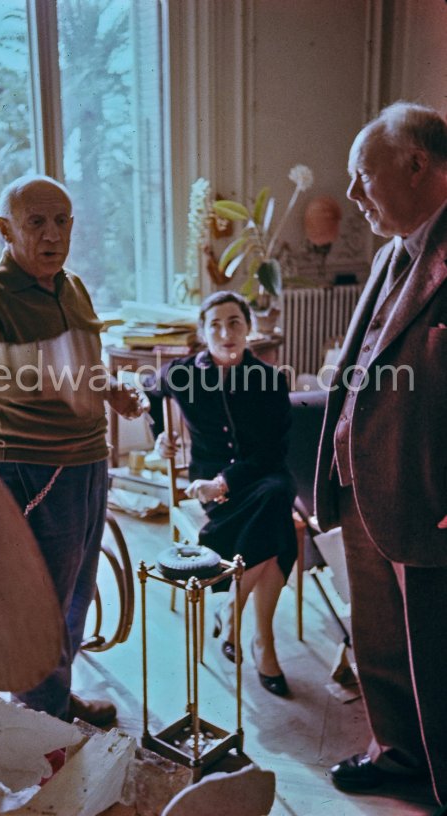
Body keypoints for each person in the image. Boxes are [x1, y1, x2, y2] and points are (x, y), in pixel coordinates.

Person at [0, 174, 146, 725]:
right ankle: (37, 721)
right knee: (39, 604)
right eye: (36, 222)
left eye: (62, 221)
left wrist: (112, 389)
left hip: (89, 459)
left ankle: (52, 700)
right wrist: (48, 366)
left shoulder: (73, 286)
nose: (52, 234)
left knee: (75, 597)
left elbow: (84, 365)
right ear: (5, 229)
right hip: (32, 467)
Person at [314, 102, 447, 805]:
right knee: (382, 644)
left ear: (416, 164)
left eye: (364, 177)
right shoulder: (394, 250)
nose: (354, 196)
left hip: (428, 494)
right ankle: (396, 751)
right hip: (367, 484)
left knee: (436, 655)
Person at [143, 291, 298, 696]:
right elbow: (151, 394)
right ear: (202, 332)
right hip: (207, 489)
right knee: (278, 524)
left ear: (249, 329)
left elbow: (272, 453)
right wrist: (159, 437)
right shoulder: (182, 373)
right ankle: (261, 641)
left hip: (255, 480)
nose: (225, 332)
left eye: (235, 323)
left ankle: (239, 613)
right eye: (215, 324)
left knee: (275, 496)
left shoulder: (269, 380)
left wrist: (225, 482)